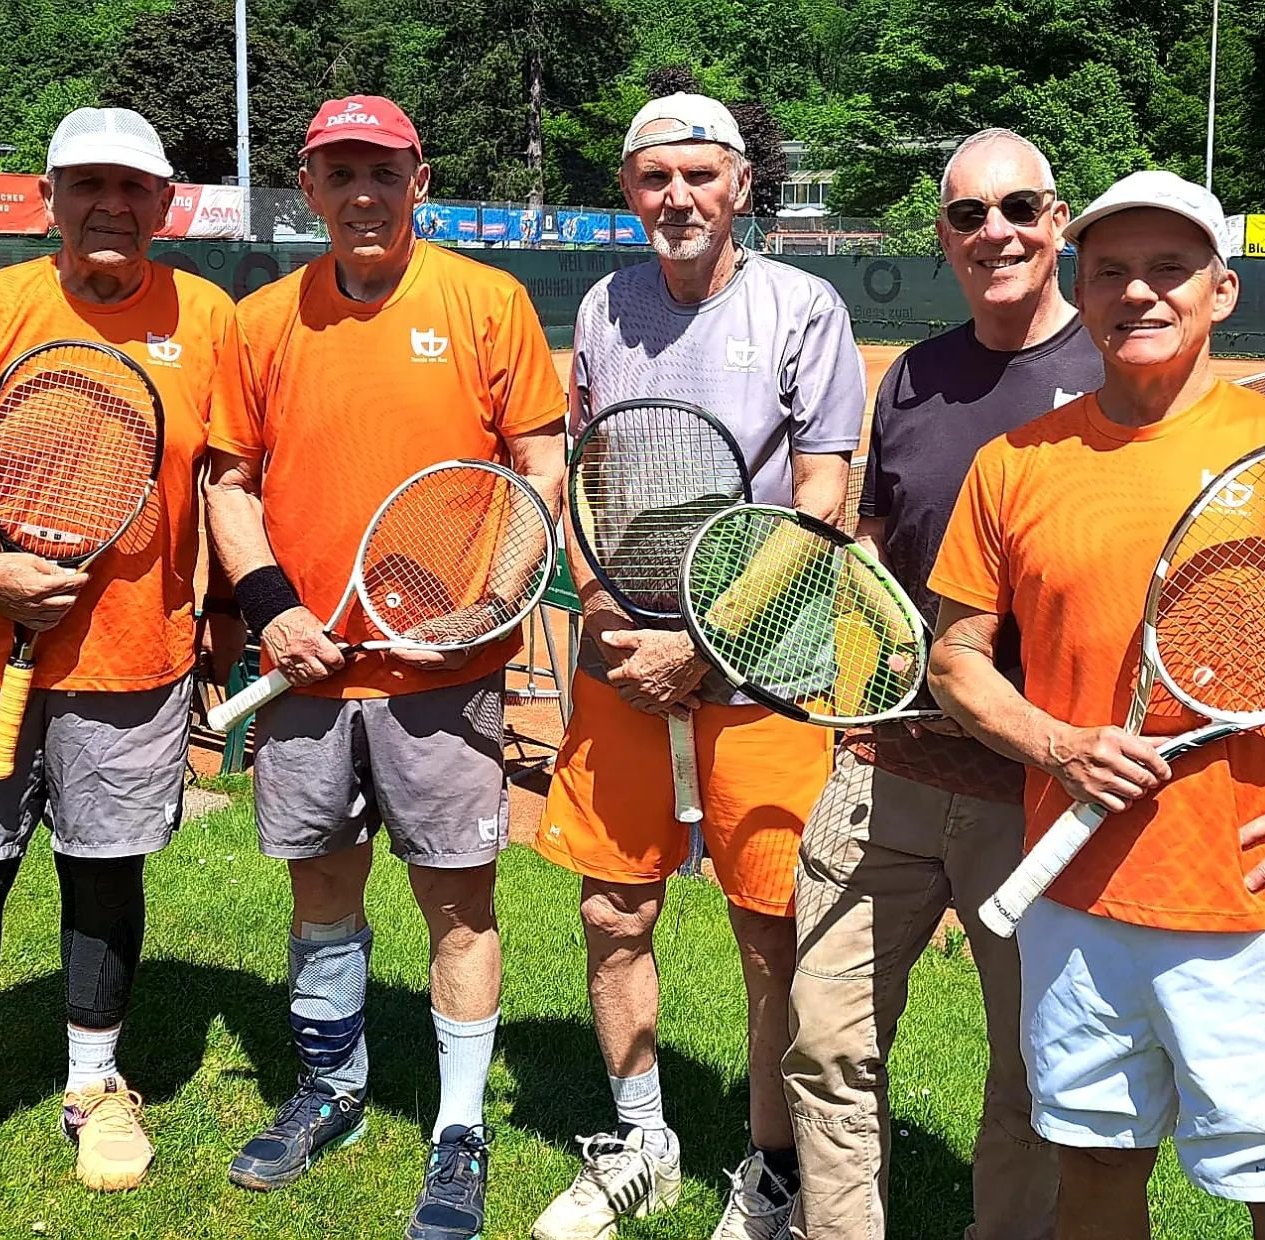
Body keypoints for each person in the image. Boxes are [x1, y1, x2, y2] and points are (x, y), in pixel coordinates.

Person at [927, 169, 1265, 1240]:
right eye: (1113, 274)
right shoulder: (1014, 465)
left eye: (1171, 270)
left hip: (1256, 910)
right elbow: (958, 659)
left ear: (1221, 291)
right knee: (1091, 1193)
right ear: (1079, 295)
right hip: (1074, 912)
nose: (1141, 295)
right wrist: (1057, 742)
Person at [204, 96, 566, 1240]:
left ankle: (460, 1128)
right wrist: (274, 607)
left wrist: (489, 601)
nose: (362, 192)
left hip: (446, 679)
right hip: (309, 672)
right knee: (322, 892)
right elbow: (230, 485)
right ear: (308, 188)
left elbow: (537, 469)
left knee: (458, 903)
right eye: (340, 172)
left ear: (420, 179)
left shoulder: (486, 301)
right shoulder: (263, 322)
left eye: (384, 170)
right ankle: (333, 1088)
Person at [530, 92, 864, 1240]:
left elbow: (823, 497)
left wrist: (708, 637)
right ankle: (638, 1145)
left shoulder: (802, 308)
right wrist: (607, 610)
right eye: (654, 177)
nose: (677, 197)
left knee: (771, 935)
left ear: (740, 186)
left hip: (764, 668)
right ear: (630, 190)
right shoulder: (602, 307)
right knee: (612, 913)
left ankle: (772, 1170)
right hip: (623, 660)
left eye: (699, 176)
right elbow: (587, 475)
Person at [781, 128, 1100, 1240]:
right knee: (825, 1043)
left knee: (1030, 1077)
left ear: (1058, 219)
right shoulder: (912, 375)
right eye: (969, 215)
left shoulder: (1113, 373)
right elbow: (878, 539)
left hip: (1037, 790)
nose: (995, 232)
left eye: (1018, 208)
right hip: (886, 767)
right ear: (943, 237)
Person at [0, 106, 238, 1190]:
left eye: (133, 188)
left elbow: (222, 482)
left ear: (164, 205)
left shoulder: (209, 316)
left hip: (136, 657)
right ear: (48, 200)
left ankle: (94, 1080)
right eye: (87, 186)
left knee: (104, 873)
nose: (110, 206)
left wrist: (220, 623)